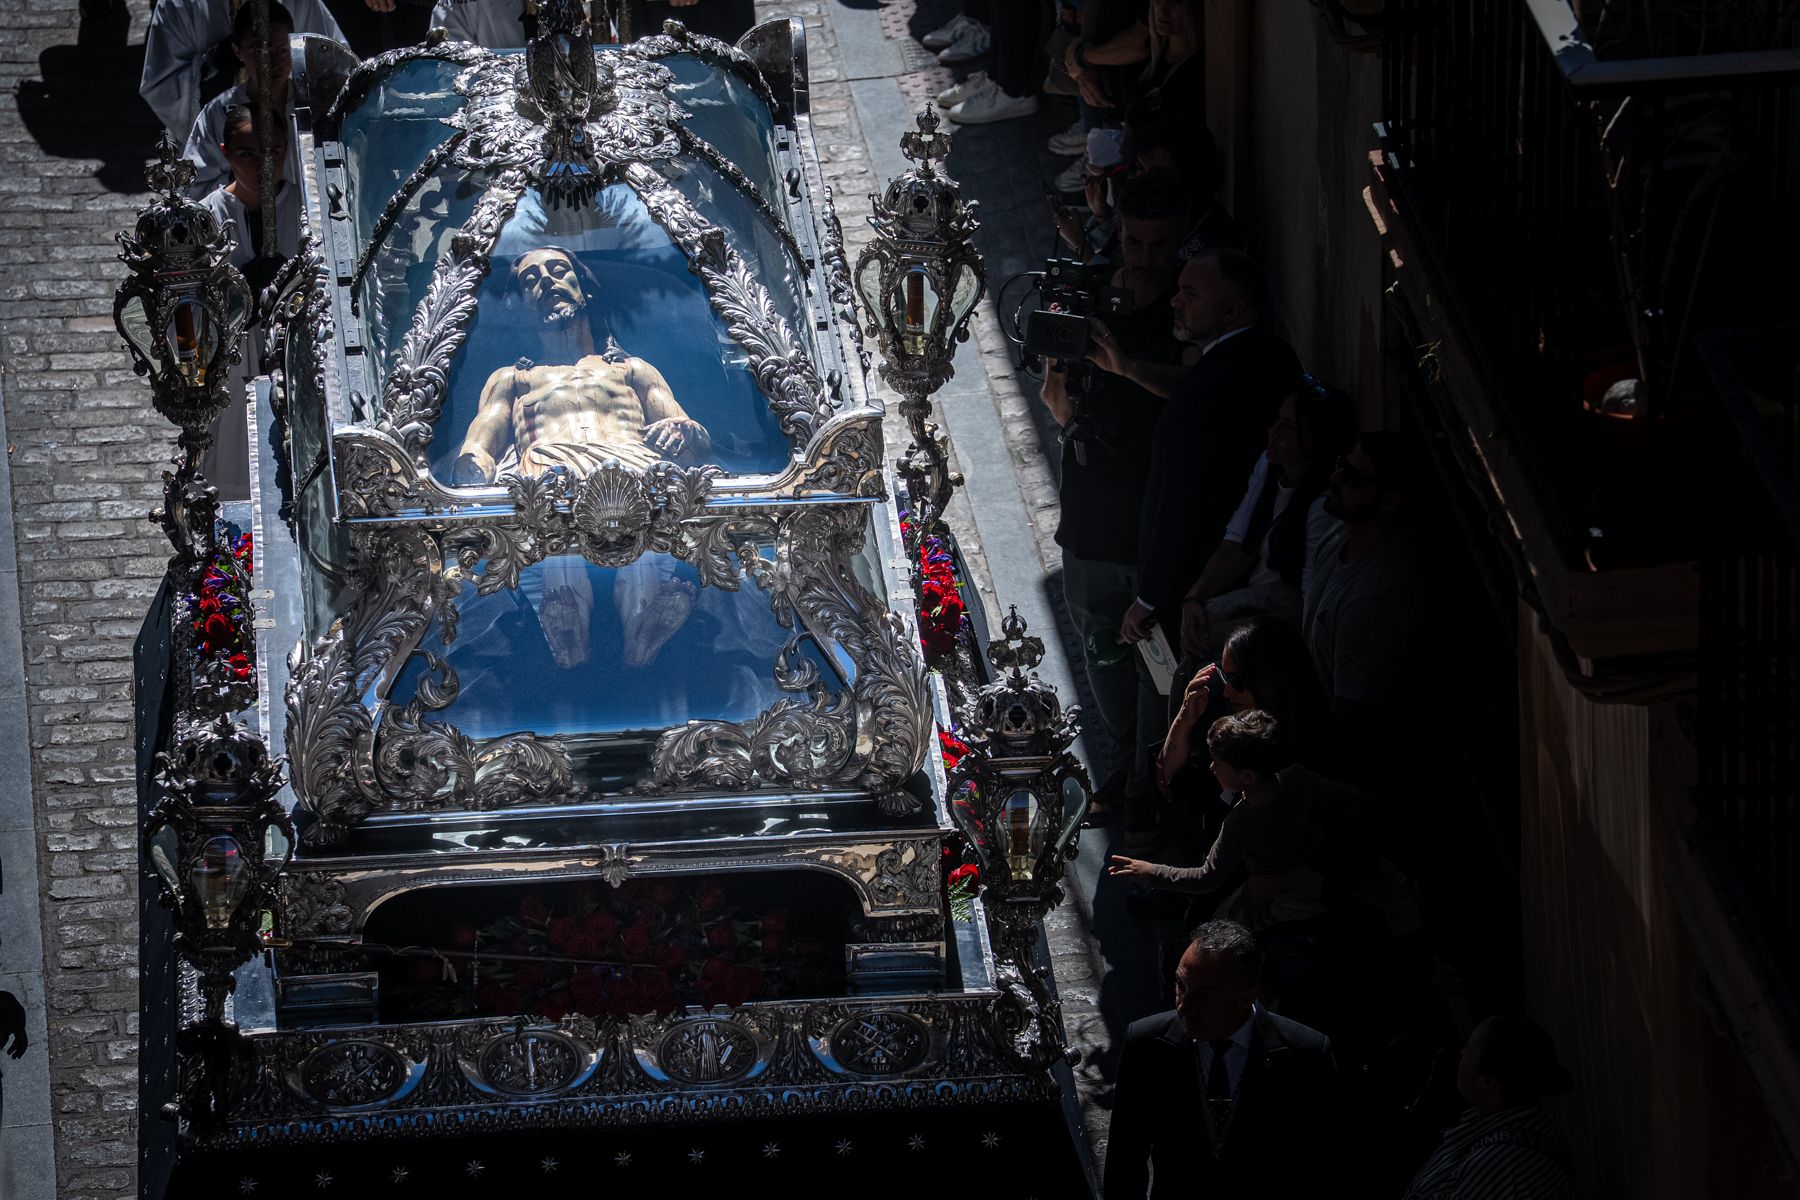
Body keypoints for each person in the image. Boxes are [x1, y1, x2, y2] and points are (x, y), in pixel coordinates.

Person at [1036, 172, 1188, 817]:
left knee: (1160, 664)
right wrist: (1060, 389)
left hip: (1157, 524)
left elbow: (1201, 387)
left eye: (1159, 245)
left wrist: (1125, 368)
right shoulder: (1093, 292)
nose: (1145, 258)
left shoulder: (1188, 304)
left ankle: (1150, 780)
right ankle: (1126, 767)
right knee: (1101, 653)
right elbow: (1058, 399)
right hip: (1092, 520)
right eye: (1134, 242)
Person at [1103, 918, 1340, 1198]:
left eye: (1204, 996)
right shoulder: (1147, 1046)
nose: (1184, 1007)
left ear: (1246, 997)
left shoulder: (1305, 1056)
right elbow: (1124, 1160)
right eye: (1180, 986)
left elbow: (1324, 1165)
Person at [452, 246, 712, 484]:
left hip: (639, 481)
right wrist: (471, 470)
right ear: (522, 307)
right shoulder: (513, 379)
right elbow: (478, 447)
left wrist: (683, 431)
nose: (546, 280)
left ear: (585, 290)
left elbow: (691, 433)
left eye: (558, 271)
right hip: (547, 491)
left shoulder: (632, 370)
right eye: (530, 280)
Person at [1177, 377, 1358, 661]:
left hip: (1283, 627)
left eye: (1290, 427)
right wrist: (1193, 600)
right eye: (1278, 420)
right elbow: (1237, 544)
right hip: (1255, 601)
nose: (1274, 432)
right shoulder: (1270, 466)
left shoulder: (1322, 508)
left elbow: (1308, 608)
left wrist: (1231, 631)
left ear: (1318, 440)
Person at [1303, 432, 1433, 761]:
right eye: (1341, 465)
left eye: (1351, 478)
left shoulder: (1373, 601)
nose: (1334, 478)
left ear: (1388, 501)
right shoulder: (1338, 535)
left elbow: (1349, 726)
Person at [200, 104, 302, 499]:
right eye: (248, 154)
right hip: (236, 367)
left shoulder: (307, 209)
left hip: (297, 364)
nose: (263, 165)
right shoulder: (207, 219)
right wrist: (242, 291)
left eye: (272, 151)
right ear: (226, 153)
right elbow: (191, 315)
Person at [1405, 1016, 1576, 1199]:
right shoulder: (1534, 1122)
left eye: (1469, 1048)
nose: (1462, 1052)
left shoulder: (1495, 1166)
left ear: (1487, 1082)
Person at [141, 0, 344, 141]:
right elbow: (161, 84)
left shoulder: (302, 3)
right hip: (214, 143)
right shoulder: (179, 4)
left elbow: (333, 66)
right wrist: (210, 70)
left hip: (288, 138)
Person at [182, 1, 302, 199]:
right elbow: (194, 189)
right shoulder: (217, 114)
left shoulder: (315, 105)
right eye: (258, 52)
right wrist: (244, 185)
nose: (270, 63)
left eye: (281, 50)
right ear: (238, 51)